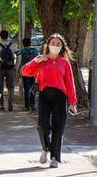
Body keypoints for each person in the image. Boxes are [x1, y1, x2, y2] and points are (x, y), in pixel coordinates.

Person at [22, 33, 77, 168]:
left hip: (60, 96)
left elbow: (70, 83)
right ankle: (45, 148)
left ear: (62, 47)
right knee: (43, 125)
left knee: (59, 128)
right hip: (44, 95)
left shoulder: (64, 62)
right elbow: (25, 72)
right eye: (53, 43)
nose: (55, 46)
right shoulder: (40, 59)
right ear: (47, 45)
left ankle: (55, 157)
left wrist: (72, 102)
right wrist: (36, 61)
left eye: (58, 44)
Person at [0, 30, 16, 111]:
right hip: (10, 68)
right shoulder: (13, 45)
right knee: (11, 86)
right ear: (8, 36)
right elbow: (19, 56)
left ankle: (1, 104)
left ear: (0, 36)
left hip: (0, 68)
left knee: (0, 86)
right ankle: (10, 101)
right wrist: (16, 67)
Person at [17, 38, 39, 111]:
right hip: (34, 73)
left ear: (23, 44)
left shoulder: (22, 51)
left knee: (26, 89)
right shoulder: (35, 51)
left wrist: (18, 70)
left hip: (25, 72)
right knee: (33, 88)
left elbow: (19, 61)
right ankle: (32, 105)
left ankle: (27, 106)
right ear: (30, 43)